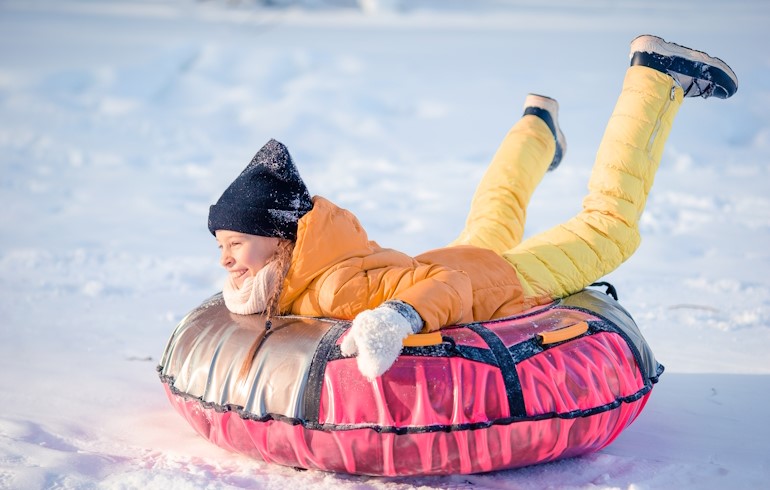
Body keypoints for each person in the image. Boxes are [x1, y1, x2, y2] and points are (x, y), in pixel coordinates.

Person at [208, 35, 738, 380]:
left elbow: (450, 290)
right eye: (221, 247)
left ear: (279, 238)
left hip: (502, 279)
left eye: (237, 244)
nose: (227, 260)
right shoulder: (314, 268)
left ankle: (657, 78)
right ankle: (537, 128)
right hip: (463, 257)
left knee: (609, 223)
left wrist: (397, 317)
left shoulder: (333, 286)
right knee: (496, 214)